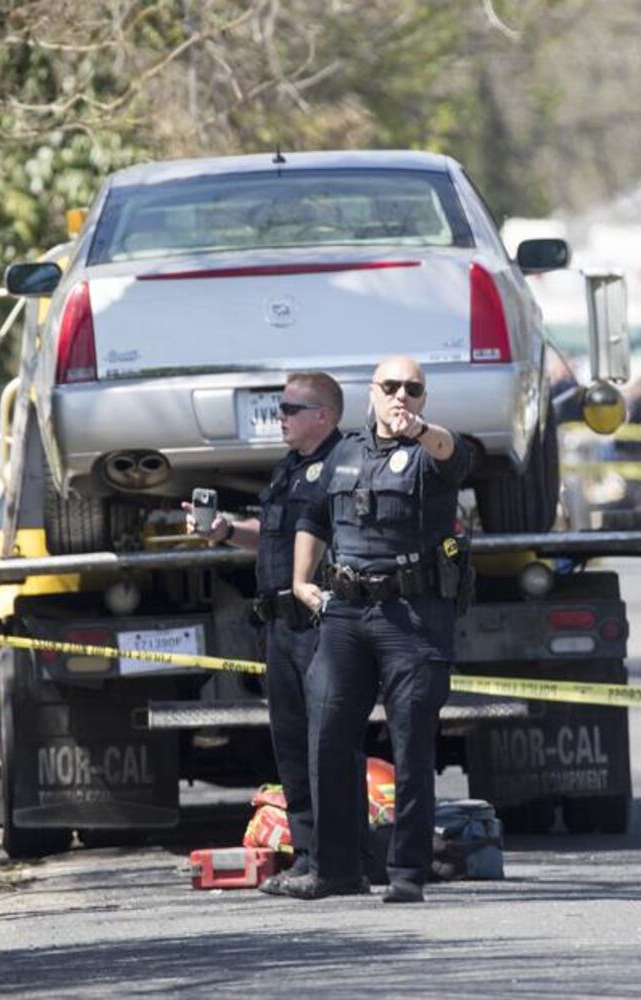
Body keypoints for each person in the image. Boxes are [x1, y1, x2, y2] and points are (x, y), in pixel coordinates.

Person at [288, 355, 476, 903]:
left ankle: (408, 871)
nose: (401, 397)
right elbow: (313, 516)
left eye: (413, 389)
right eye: (390, 386)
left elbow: (456, 455)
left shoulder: (430, 452)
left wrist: (421, 431)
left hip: (411, 617)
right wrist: (301, 581)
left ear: (424, 399)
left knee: (411, 744)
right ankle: (335, 868)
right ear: (370, 392)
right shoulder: (344, 451)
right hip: (346, 615)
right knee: (327, 736)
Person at [187, 372, 345, 893]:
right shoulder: (288, 469)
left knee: (329, 743)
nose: (279, 416)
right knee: (292, 744)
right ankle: (308, 856)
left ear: (322, 415)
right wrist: (226, 531)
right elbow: (273, 535)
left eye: (290, 409)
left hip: (320, 623)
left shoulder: (344, 466)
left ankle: (341, 859)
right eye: (280, 407)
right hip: (278, 625)